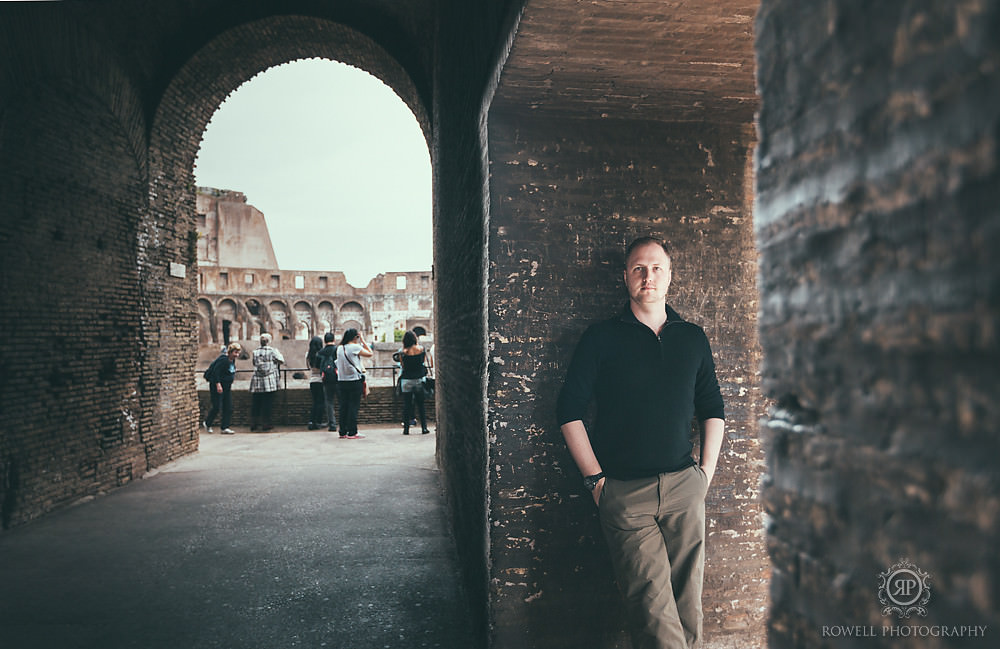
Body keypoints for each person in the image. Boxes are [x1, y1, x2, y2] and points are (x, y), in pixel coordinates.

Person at [556, 236, 725, 649]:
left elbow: (713, 409)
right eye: (638, 268)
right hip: (625, 497)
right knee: (654, 615)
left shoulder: (692, 337)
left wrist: (704, 475)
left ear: (669, 276)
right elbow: (568, 411)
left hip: (685, 489)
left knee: (689, 612)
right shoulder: (601, 337)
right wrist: (595, 481)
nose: (648, 276)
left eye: (656, 268)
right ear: (626, 276)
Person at [336, 328, 372, 439]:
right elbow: (370, 353)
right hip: (354, 381)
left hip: (341, 381)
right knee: (353, 406)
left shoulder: (339, 348)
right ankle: (352, 432)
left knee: (343, 407)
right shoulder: (355, 347)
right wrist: (363, 340)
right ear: (355, 337)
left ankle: (343, 432)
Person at [203, 342, 241, 435]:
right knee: (216, 406)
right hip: (218, 386)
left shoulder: (232, 360)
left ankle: (225, 427)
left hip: (227, 386)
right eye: (235, 352)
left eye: (238, 352)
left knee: (228, 406)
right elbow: (216, 372)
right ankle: (207, 423)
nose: (237, 355)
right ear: (230, 352)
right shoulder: (223, 359)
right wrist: (218, 384)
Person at [249, 332, 284, 432]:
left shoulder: (255, 352)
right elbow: (281, 360)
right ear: (269, 341)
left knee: (256, 403)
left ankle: (253, 423)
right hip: (269, 380)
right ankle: (266, 423)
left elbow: (254, 363)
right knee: (267, 403)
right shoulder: (273, 351)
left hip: (257, 380)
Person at [398, 330, 430, 435]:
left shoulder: (402, 352)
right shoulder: (421, 349)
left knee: (407, 405)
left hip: (406, 380)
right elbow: (423, 362)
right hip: (419, 379)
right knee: (421, 405)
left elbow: (402, 366)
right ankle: (424, 428)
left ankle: (406, 429)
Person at [316, 332, 338, 432]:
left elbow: (317, 365)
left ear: (325, 341)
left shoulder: (320, 352)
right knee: (342, 401)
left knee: (329, 401)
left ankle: (332, 424)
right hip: (338, 378)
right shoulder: (338, 350)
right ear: (334, 339)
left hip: (326, 380)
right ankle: (344, 422)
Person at [306, 336, 325, 430]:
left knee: (315, 402)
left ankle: (311, 421)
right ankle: (318, 422)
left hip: (313, 380)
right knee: (321, 402)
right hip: (321, 380)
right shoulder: (322, 354)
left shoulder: (308, 355)